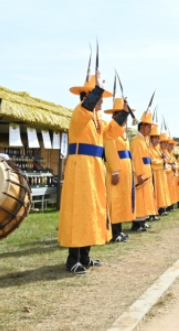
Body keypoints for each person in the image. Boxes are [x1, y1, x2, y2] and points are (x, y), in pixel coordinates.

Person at [59, 52, 111, 273]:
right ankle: (73, 259)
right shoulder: (80, 113)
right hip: (80, 168)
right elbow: (86, 108)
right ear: (88, 96)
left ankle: (86, 255)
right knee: (78, 210)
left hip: (94, 167)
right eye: (99, 96)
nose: (101, 100)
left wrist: (124, 110)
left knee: (91, 210)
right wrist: (97, 87)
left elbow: (116, 130)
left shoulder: (98, 120)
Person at [102, 95, 136, 243]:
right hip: (115, 171)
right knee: (114, 201)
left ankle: (120, 230)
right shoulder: (111, 130)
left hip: (125, 171)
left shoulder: (123, 132)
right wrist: (114, 170)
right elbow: (109, 150)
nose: (125, 118)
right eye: (122, 114)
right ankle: (114, 232)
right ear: (115, 115)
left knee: (122, 201)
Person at [131, 109, 157, 232]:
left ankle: (143, 220)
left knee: (145, 198)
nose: (150, 129)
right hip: (140, 173)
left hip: (146, 172)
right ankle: (136, 223)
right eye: (149, 126)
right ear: (143, 127)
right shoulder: (136, 142)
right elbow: (136, 159)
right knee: (139, 199)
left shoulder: (144, 141)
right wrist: (139, 174)